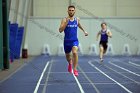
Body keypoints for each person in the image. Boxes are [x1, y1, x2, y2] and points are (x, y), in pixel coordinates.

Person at [59, 5, 88, 76]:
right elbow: (60, 30)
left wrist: (84, 31)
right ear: (67, 11)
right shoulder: (64, 20)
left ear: (74, 11)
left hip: (74, 40)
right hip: (66, 42)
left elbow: (79, 25)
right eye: (70, 10)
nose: (71, 11)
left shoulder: (77, 20)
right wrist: (66, 23)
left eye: (72, 10)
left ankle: (75, 69)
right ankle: (70, 63)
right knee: (68, 57)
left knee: (75, 52)